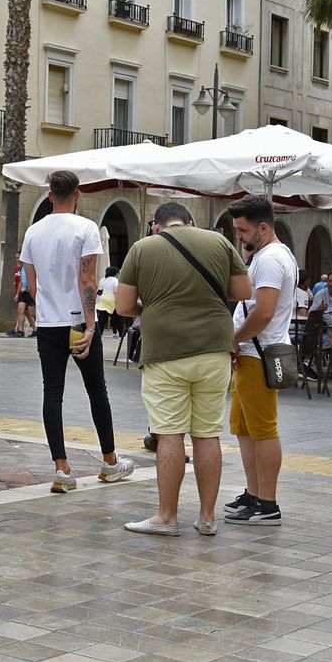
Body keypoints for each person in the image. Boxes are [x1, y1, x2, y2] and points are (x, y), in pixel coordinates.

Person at [117, 201, 249, 536]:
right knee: (207, 433)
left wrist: (154, 305)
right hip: (215, 348)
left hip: (165, 350)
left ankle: (167, 516)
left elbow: (122, 306)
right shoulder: (219, 242)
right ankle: (207, 518)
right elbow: (243, 291)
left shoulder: (142, 248)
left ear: (157, 227)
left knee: (170, 432)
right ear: (189, 222)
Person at [21, 171, 136, 495]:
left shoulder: (33, 232)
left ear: (49, 195)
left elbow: (32, 283)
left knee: (51, 392)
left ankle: (61, 467)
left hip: (47, 323)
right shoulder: (85, 228)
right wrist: (90, 325)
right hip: (76, 321)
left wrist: (47, 306)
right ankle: (110, 461)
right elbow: (87, 280)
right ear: (77, 195)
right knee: (96, 390)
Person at [224, 195, 295, 526]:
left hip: (259, 354)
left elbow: (264, 311)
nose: (238, 235)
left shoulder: (270, 259)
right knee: (244, 427)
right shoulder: (264, 256)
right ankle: (255, 494)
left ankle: (268, 502)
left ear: (263, 227)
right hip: (251, 353)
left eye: (242, 230)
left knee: (263, 430)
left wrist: (234, 339)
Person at [10, 262, 36, 337]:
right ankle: (20, 330)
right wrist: (17, 293)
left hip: (29, 291)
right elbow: (21, 281)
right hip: (22, 291)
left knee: (32, 312)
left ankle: (39, 327)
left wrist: (30, 288)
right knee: (20, 310)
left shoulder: (33, 266)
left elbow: (35, 278)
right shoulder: (22, 268)